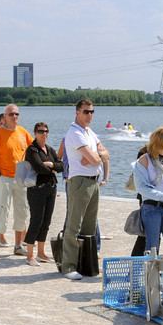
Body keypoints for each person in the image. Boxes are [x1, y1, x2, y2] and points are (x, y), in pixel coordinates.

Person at [59, 99, 111, 281]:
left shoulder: (90, 132)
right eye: (86, 111)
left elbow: (105, 154)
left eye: (92, 111)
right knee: (74, 224)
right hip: (80, 181)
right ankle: (68, 266)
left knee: (89, 226)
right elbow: (97, 160)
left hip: (94, 181)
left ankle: (86, 262)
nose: (90, 115)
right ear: (77, 112)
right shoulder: (74, 133)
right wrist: (95, 156)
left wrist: (97, 154)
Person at [0, 104, 33, 255]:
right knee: (1, 211)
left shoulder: (23, 132)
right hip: (5, 178)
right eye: (11, 114)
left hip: (21, 179)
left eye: (17, 114)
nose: (15, 117)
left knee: (22, 212)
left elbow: (34, 151)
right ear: (4, 116)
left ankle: (18, 245)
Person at [132, 127, 163, 255]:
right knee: (152, 247)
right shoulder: (144, 160)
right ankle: (151, 275)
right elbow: (141, 188)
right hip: (151, 207)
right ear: (156, 144)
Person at [23, 121, 64, 266]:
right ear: (35, 133)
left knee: (46, 221)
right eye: (40, 131)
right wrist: (53, 169)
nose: (44, 134)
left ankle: (41, 253)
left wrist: (52, 165)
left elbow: (62, 166)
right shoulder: (32, 150)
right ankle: (30, 255)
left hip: (51, 188)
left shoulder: (50, 149)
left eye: (46, 131)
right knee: (36, 221)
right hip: (36, 189)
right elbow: (39, 167)